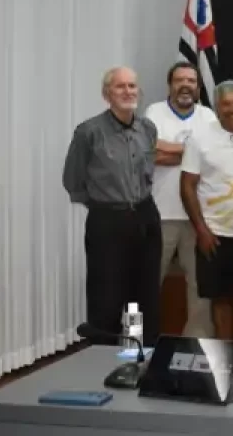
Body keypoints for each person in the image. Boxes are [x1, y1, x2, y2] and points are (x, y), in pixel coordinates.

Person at [63, 66, 162, 345]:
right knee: (106, 293)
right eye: (120, 87)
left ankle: (136, 351)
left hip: (144, 216)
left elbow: (147, 170)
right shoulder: (89, 132)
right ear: (107, 93)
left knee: (141, 294)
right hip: (107, 221)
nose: (128, 92)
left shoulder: (148, 129)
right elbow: (73, 180)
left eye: (132, 86)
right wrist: (104, 206)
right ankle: (101, 357)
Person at [179, 80, 233, 340]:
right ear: (216, 107)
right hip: (216, 234)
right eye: (226, 104)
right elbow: (187, 186)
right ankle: (227, 352)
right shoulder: (199, 137)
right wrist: (201, 230)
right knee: (220, 299)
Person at [145, 61, 216, 337]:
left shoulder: (208, 116)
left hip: (197, 217)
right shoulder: (154, 112)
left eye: (191, 81)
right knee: (148, 285)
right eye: (179, 80)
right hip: (159, 213)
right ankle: (141, 344)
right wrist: (191, 153)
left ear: (198, 87)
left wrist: (170, 153)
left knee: (200, 288)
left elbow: (210, 160)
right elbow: (149, 153)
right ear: (170, 85)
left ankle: (197, 345)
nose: (185, 85)